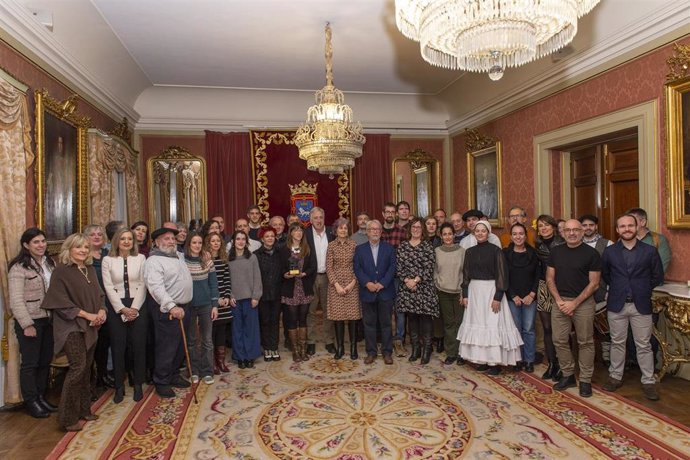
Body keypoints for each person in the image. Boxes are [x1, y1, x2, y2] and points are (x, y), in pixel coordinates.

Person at [42, 233, 107, 431]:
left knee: (87, 368)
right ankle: (67, 419)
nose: (83, 251)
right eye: (78, 247)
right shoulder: (61, 272)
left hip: (91, 325)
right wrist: (87, 315)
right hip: (71, 327)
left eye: (86, 247)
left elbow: (99, 294)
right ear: (69, 249)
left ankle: (84, 410)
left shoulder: (89, 270)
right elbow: (60, 303)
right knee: (78, 368)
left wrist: (102, 310)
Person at [601, 214, 664, 400]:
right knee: (617, 342)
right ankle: (615, 376)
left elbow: (657, 276)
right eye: (622, 226)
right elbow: (605, 275)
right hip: (616, 304)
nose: (626, 229)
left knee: (643, 345)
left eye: (630, 225)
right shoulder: (610, 252)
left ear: (637, 227)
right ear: (617, 230)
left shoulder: (650, 251)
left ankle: (648, 381)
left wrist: (642, 288)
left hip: (641, 304)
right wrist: (620, 288)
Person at [457, 221, 523, 375]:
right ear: (474, 233)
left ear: (489, 233)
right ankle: (483, 360)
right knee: (478, 324)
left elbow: (502, 275)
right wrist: (465, 294)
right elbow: (465, 275)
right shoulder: (470, 252)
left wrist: (498, 297)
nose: (480, 233)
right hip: (474, 293)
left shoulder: (496, 251)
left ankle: (495, 363)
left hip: (491, 292)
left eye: (483, 231)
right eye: (477, 231)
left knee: (493, 325)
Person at [546, 219, 602, 398]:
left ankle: (585, 380)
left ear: (582, 232)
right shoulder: (555, 252)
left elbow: (594, 284)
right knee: (559, 340)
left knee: (585, 341)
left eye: (576, 230)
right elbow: (549, 279)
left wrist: (574, 303)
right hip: (560, 302)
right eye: (568, 230)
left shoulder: (592, 254)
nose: (572, 233)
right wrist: (559, 300)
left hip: (583, 303)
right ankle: (568, 375)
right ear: (562, 232)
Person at [8, 228, 56, 418]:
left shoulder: (49, 263)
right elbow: (16, 300)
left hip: (49, 320)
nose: (41, 245)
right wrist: (27, 324)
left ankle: (41, 397)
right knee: (30, 364)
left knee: (45, 361)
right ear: (26, 245)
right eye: (36, 242)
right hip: (31, 321)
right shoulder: (18, 268)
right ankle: (31, 401)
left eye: (43, 241)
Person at [143, 227, 193, 399]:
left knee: (179, 346)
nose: (171, 241)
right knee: (167, 347)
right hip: (169, 309)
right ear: (157, 242)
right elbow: (156, 288)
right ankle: (162, 381)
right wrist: (172, 306)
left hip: (185, 308)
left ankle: (173, 375)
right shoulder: (153, 261)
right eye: (166, 239)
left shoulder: (178, 255)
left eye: (172, 238)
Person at [102, 228, 148, 403]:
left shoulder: (141, 258)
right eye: (123, 239)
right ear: (116, 241)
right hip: (116, 306)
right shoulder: (108, 260)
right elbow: (108, 286)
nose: (127, 242)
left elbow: (143, 283)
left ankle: (137, 384)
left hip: (138, 305)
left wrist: (134, 308)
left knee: (138, 346)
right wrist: (121, 308)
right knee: (118, 347)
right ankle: (119, 387)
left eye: (130, 239)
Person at [354, 220, 397, 365]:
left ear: (381, 232)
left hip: (385, 292)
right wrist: (367, 283)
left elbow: (392, 268)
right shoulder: (359, 249)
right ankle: (371, 352)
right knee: (369, 324)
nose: (375, 232)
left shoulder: (389, 248)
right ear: (367, 232)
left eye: (378, 229)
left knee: (386, 324)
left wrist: (382, 284)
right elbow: (357, 269)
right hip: (367, 292)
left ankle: (387, 352)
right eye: (372, 229)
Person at [396, 218, 439, 365]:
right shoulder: (402, 246)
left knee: (425, 319)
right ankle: (416, 348)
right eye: (413, 227)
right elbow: (399, 267)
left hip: (424, 287)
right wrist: (407, 281)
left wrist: (416, 280)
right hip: (407, 288)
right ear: (410, 229)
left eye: (419, 227)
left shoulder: (428, 246)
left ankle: (427, 349)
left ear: (423, 230)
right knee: (412, 318)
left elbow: (430, 266)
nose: (416, 229)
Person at [503, 223, 540, 373]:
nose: (518, 236)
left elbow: (538, 276)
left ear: (526, 236)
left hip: (530, 297)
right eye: (515, 234)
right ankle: (517, 358)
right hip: (513, 298)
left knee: (529, 329)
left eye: (521, 234)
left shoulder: (533, 253)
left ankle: (529, 360)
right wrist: (513, 295)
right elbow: (504, 277)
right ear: (511, 236)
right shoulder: (505, 254)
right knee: (516, 329)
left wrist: (532, 294)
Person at [184, 232, 219, 384]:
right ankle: (194, 370)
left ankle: (207, 371)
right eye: (194, 243)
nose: (197, 245)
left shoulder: (207, 261)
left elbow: (213, 285)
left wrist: (215, 305)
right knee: (191, 341)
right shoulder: (182, 261)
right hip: (188, 305)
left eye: (199, 243)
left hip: (206, 305)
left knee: (207, 340)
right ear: (189, 245)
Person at [280, 223, 317, 362]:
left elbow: (313, 266)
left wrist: (305, 273)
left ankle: (303, 349)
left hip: (304, 288)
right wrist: (285, 274)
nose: (298, 232)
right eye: (295, 230)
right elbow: (281, 267)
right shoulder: (284, 249)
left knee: (303, 319)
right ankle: (295, 350)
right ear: (290, 233)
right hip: (290, 289)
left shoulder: (307, 248)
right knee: (291, 320)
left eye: (301, 230)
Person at [534, 214, 565, 381]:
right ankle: (552, 363)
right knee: (547, 328)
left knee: (562, 329)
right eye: (540, 226)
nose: (543, 228)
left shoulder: (562, 243)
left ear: (553, 226)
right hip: (543, 287)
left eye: (546, 225)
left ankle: (563, 365)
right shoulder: (537, 244)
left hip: (561, 288)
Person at [326, 218, 361, 360]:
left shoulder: (354, 244)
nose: (343, 230)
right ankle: (340, 347)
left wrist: (353, 283)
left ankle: (353, 347)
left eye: (345, 228)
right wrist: (337, 285)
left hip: (352, 283)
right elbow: (329, 267)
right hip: (336, 285)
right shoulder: (331, 246)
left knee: (353, 317)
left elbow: (358, 265)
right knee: (338, 318)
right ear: (336, 230)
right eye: (340, 228)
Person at [228, 230, 263, 368]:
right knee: (237, 330)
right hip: (235, 300)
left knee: (251, 329)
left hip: (250, 299)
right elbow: (226, 280)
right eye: (238, 239)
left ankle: (250, 356)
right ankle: (240, 357)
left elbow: (257, 278)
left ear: (246, 242)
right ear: (233, 241)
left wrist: (256, 296)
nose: (241, 241)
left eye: (243, 239)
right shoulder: (228, 259)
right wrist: (230, 296)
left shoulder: (252, 258)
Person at [84, 224, 112, 391]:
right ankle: (90, 382)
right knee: (90, 347)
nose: (96, 237)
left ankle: (102, 375)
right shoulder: (83, 256)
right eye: (93, 234)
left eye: (99, 235)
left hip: (108, 304)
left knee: (104, 343)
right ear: (86, 238)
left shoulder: (108, 255)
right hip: (90, 306)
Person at [305, 207, 335, 355]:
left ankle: (329, 340)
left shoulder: (331, 233)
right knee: (310, 311)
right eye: (315, 218)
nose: (318, 220)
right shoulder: (305, 234)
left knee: (328, 310)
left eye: (320, 217)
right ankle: (310, 341)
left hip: (329, 277)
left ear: (324, 218)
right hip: (311, 277)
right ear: (310, 220)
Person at [434, 223, 465, 365]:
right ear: (441, 236)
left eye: (450, 234)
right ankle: (451, 353)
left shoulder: (462, 251)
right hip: (443, 292)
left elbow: (465, 273)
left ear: (454, 235)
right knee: (448, 323)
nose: (447, 236)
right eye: (444, 234)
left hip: (458, 292)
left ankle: (461, 353)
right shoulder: (437, 251)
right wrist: (437, 285)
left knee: (459, 323)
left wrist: (463, 292)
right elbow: (434, 271)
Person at [380, 202, 407, 356]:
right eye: (387, 212)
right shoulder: (377, 231)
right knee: (384, 311)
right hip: (382, 279)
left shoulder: (402, 232)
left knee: (400, 310)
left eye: (392, 212)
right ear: (383, 214)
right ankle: (385, 341)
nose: (390, 214)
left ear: (395, 214)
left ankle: (399, 340)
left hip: (398, 278)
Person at [204, 231, 232, 373]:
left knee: (222, 331)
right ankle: (212, 363)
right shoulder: (205, 260)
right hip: (212, 302)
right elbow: (206, 284)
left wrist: (226, 296)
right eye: (212, 241)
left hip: (224, 303)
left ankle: (221, 361)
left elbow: (227, 279)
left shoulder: (223, 259)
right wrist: (216, 299)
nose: (216, 243)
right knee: (212, 332)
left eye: (218, 241)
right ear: (208, 243)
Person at [254, 227, 283, 361]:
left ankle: (274, 347)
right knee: (264, 321)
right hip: (263, 294)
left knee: (275, 321)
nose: (270, 238)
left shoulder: (280, 253)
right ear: (262, 239)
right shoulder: (256, 255)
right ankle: (267, 348)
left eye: (272, 236)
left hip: (277, 293)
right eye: (267, 236)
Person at [626, 207, 671, 274]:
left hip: (651, 283)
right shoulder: (623, 240)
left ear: (643, 222)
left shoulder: (658, 239)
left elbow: (661, 267)